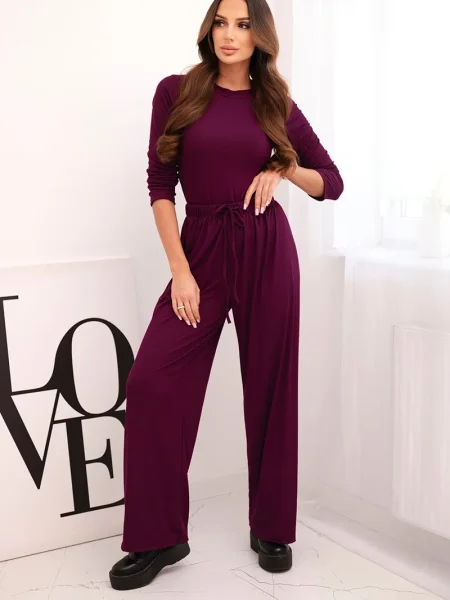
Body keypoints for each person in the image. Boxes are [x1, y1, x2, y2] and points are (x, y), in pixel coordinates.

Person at [109, 0, 343, 591]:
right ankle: (158, 537)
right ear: (207, 29)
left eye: (243, 25)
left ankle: (272, 528)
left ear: (260, 35)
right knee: (152, 382)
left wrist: (284, 167)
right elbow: (160, 183)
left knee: (270, 388)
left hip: (266, 249)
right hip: (201, 252)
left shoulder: (275, 103)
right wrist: (180, 271)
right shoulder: (177, 92)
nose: (230, 35)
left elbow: (331, 182)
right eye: (221, 22)